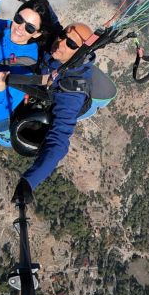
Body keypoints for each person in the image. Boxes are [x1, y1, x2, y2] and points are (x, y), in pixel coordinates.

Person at [12, 22, 96, 203]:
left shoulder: (72, 90)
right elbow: (51, 20)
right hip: (36, 84)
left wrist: (30, 181)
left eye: (71, 44)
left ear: (80, 53)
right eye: (63, 35)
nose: (61, 42)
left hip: (37, 108)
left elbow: (59, 141)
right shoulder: (59, 45)